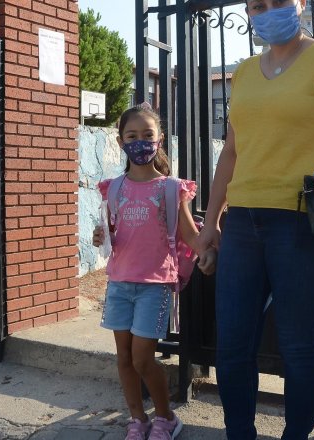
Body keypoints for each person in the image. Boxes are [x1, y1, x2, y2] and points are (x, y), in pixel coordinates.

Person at [195, 1, 314, 438]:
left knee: (299, 348)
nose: (267, 10)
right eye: (257, 5)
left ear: (300, 3)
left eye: (278, 1)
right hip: (242, 225)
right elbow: (231, 154)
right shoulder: (242, 72)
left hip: (302, 225)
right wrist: (211, 225)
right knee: (232, 348)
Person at [92, 105, 217, 440]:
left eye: (147, 135)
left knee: (143, 359)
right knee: (123, 359)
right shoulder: (113, 188)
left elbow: (189, 234)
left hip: (155, 286)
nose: (140, 142)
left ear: (160, 139)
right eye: (132, 136)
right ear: (120, 142)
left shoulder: (171, 188)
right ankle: (137, 420)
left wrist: (207, 249)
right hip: (119, 283)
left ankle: (165, 417)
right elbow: (112, 233)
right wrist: (101, 236)